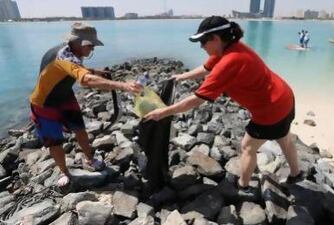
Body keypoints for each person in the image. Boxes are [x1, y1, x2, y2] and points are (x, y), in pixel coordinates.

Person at [144, 16, 302, 191]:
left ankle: (243, 186)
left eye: (203, 42)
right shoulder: (229, 48)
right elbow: (206, 68)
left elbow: (197, 99)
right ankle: (296, 174)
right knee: (284, 138)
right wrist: (182, 76)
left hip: (269, 109)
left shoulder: (229, 61)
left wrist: (164, 112)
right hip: (284, 96)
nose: (201, 46)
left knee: (247, 147)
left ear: (216, 38)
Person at [30, 22, 142, 187]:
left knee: (80, 129)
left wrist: (95, 71)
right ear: (79, 43)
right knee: (55, 142)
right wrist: (123, 86)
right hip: (44, 103)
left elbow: (73, 67)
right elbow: (85, 80)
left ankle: (90, 158)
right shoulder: (63, 56)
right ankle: (64, 172)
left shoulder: (69, 51)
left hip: (65, 96)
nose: (93, 49)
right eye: (90, 45)